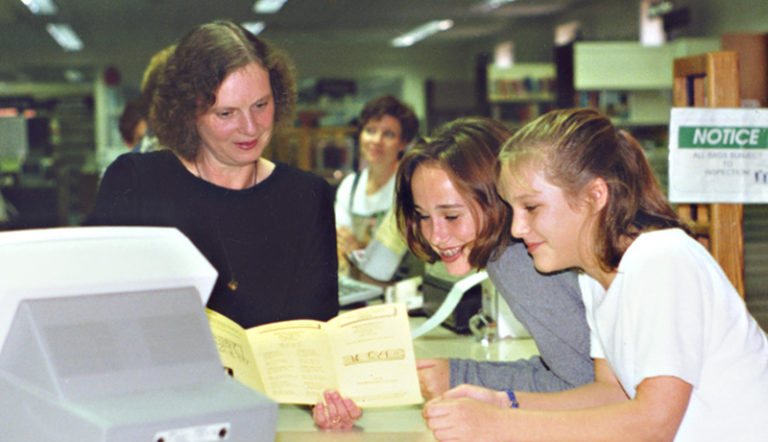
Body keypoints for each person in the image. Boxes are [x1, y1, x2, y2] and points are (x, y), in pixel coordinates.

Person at [422, 108, 768, 442]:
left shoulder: (662, 257)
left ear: (594, 197)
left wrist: (500, 426)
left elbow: (654, 422)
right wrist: (505, 401)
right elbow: (611, 392)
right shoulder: (595, 280)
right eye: (512, 210)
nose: (516, 229)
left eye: (531, 208)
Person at [86, 20, 338, 331]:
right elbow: (99, 312)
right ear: (188, 113)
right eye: (226, 113)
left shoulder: (308, 196)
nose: (251, 127)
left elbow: (319, 327)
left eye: (261, 105)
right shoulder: (136, 183)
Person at [395, 117, 593, 399]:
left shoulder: (516, 261)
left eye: (452, 216)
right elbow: (568, 370)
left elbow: (583, 387)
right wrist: (457, 375)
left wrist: (459, 378)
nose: (436, 236)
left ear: (496, 199)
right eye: (423, 216)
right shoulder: (513, 253)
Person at [335, 95, 418, 268]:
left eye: (388, 134)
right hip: (357, 283)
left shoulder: (409, 188)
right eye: (370, 130)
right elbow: (339, 244)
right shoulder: (350, 186)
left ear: (402, 143)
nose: (377, 141)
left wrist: (356, 248)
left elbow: (390, 259)